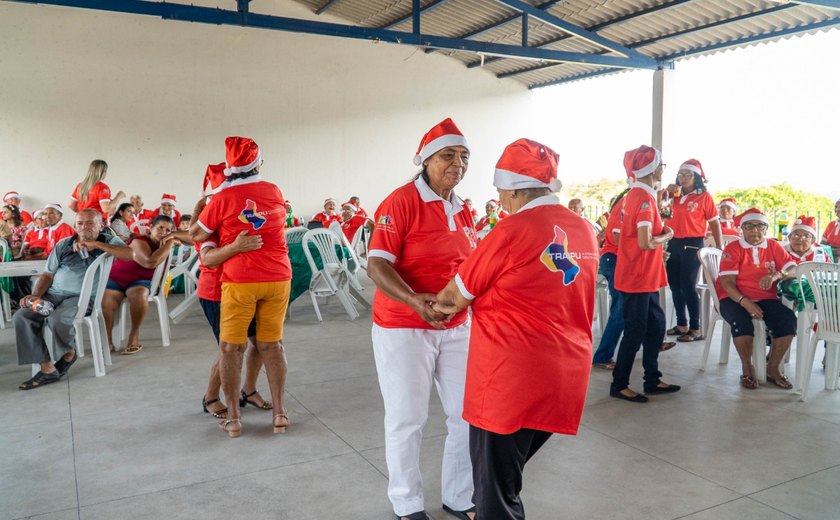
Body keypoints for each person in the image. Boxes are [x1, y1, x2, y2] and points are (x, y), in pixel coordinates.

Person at [433, 138, 597, 520]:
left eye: (500, 191)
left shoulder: (510, 231)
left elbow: (453, 298)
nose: (499, 199)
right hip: (565, 375)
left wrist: (420, 303)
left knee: (495, 496)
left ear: (511, 189)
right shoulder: (584, 229)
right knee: (508, 476)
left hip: (510, 382)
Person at [366, 118, 476, 520]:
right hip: (404, 326)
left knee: (467, 414)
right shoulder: (401, 201)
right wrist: (414, 301)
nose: (457, 164)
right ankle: (407, 503)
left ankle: (460, 495)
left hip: (456, 326)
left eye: (464, 157)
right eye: (448, 155)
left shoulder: (463, 208)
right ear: (426, 160)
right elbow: (376, 264)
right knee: (407, 417)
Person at [190, 136, 292, 438]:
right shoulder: (274, 190)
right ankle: (280, 415)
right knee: (272, 345)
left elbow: (197, 233)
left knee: (231, 349)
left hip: (242, 279)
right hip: (278, 277)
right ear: (258, 164)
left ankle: (234, 419)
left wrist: (203, 210)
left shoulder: (221, 199)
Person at [14, 209, 127, 390]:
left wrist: (96, 245)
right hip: (54, 294)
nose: (84, 227)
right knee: (22, 316)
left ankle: (68, 353)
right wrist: (35, 296)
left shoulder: (108, 240)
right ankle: (47, 367)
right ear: (75, 226)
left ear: (101, 225)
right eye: (80, 223)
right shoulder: (64, 244)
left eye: (90, 223)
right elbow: (47, 275)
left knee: (57, 318)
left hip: (83, 297)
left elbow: (129, 254)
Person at [610, 145, 679, 403]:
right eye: (662, 164)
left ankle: (652, 378)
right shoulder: (643, 197)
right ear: (653, 168)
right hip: (637, 276)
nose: (663, 169)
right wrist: (667, 235)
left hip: (643, 276)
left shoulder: (641, 194)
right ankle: (619, 384)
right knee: (636, 331)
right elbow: (645, 242)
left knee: (656, 325)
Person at [716, 208, 798, 389]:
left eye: (760, 226)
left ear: (766, 228)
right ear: (741, 229)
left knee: (788, 320)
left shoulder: (773, 246)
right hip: (733, 297)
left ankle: (773, 368)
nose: (755, 230)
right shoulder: (733, 248)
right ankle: (747, 369)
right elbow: (727, 283)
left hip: (765, 297)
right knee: (741, 321)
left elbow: (793, 268)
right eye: (749, 226)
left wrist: (777, 275)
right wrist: (745, 302)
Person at [89, 215, 176, 355]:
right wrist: (170, 243)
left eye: (168, 230)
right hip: (117, 277)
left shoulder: (164, 244)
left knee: (140, 295)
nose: (163, 232)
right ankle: (108, 340)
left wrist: (170, 243)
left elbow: (193, 236)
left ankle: (133, 335)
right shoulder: (139, 241)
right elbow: (149, 262)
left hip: (140, 281)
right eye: (160, 228)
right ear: (150, 227)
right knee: (106, 301)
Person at [663, 159, 723, 342]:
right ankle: (682, 323)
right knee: (674, 285)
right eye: (681, 175)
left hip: (693, 242)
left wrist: (719, 247)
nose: (683, 178)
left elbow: (714, 223)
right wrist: (665, 192)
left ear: (696, 177)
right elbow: (660, 211)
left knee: (688, 285)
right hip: (672, 242)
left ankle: (696, 328)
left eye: (688, 175)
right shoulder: (671, 196)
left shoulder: (704, 197)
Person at [591, 187, 630, 370]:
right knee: (621, 309)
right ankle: (602, 356)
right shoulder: (625, 205)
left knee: (640, 304)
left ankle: (653, 342)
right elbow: (616, 238)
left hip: (616, 259)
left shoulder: (628, 205)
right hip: (613, 259)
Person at [69, 159, 125, 224]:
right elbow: (106, 209)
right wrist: (119, 196)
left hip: (81, 222)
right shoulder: (102, 187)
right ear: (102, 172)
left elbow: (71, 205)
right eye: (105, 171)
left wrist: (83, 214)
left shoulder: (80, 186)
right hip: (96, 223)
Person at [820, 198, 840, 262]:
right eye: (836, 207)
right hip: (828, 256)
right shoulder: (831, 224)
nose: (837, 209)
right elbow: (822, 243)